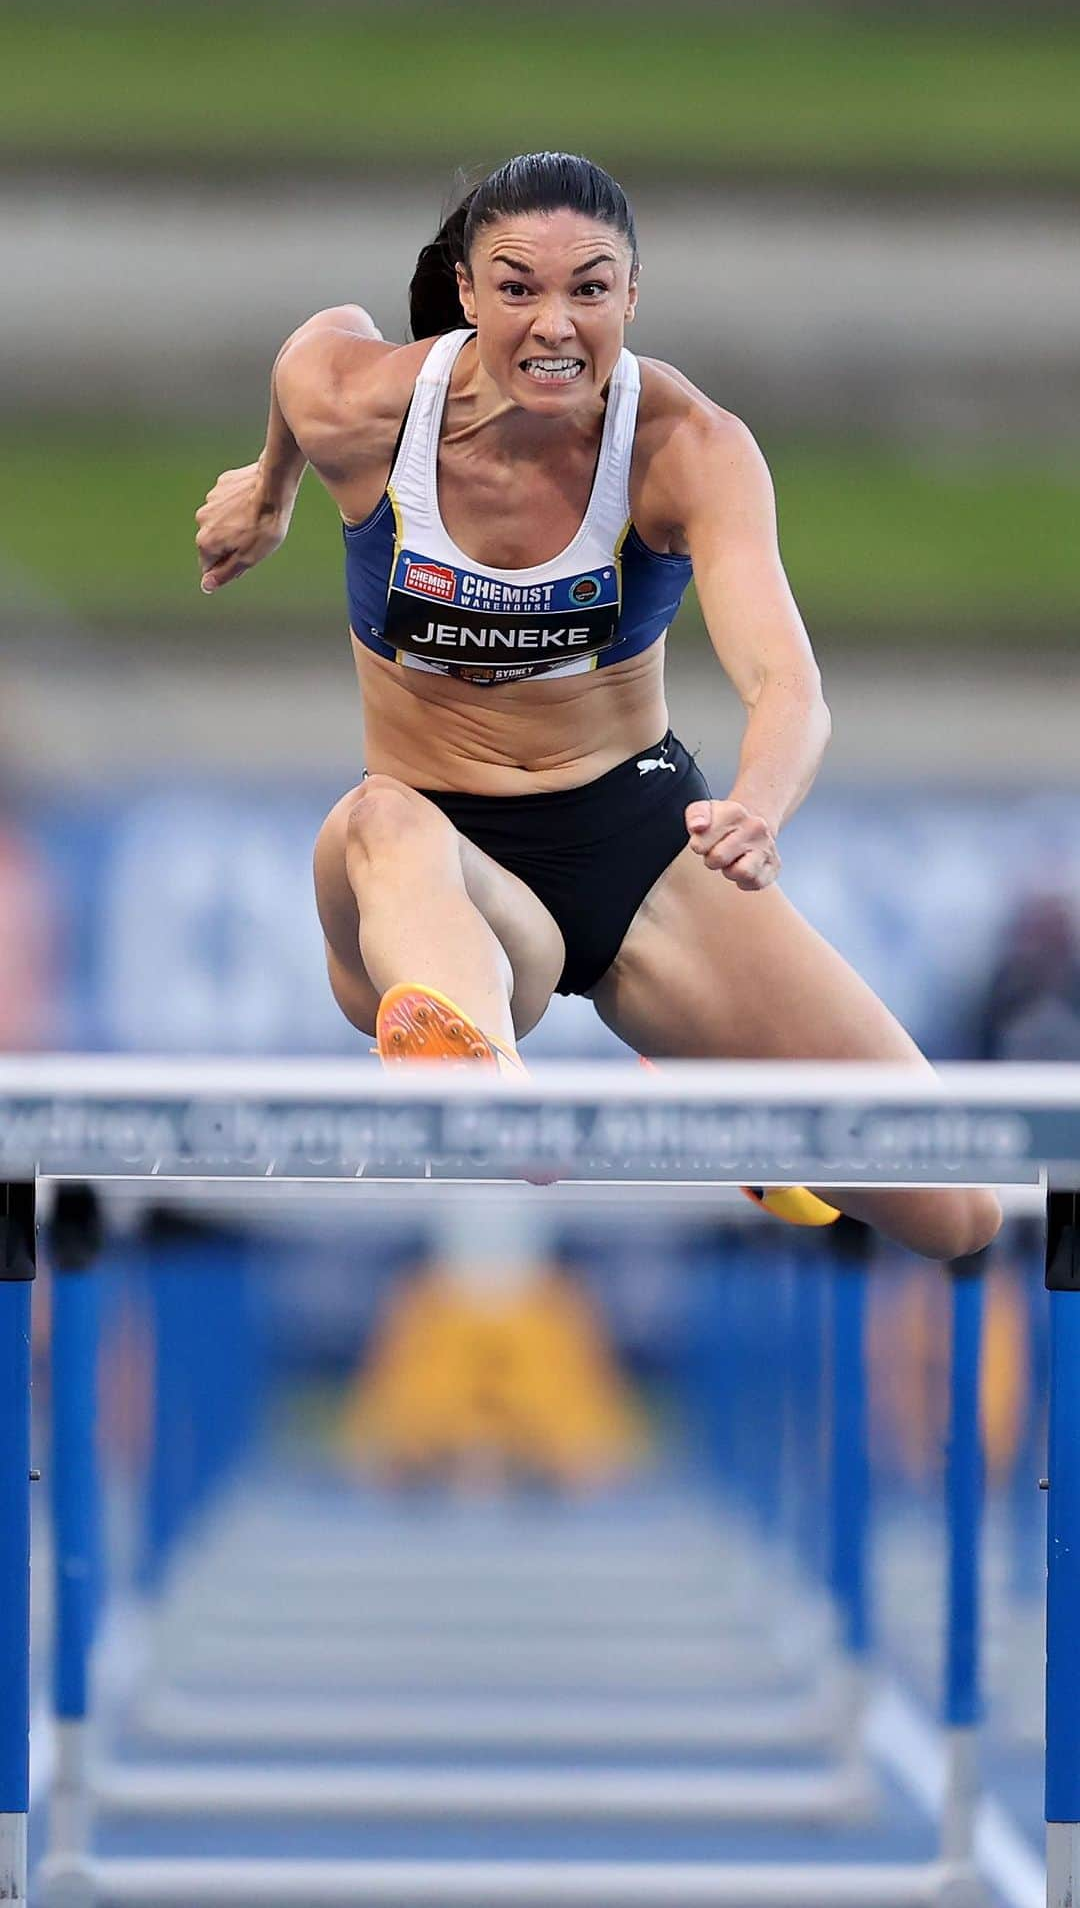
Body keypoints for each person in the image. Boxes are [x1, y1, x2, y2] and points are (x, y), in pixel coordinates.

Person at [195, 152, 1000, 1262]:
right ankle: (495, 1090)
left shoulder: (690, 450)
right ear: (467, 296)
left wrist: (758, 808)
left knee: (958, 1210)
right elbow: (308, 353)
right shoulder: (370, 411)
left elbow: (787, 684)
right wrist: (271, 488)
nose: (555, 326)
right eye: (518, 288)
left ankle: (711, 1101)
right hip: (438, 868)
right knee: (377, 821)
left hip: (637, 849)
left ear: (633, 294)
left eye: (591, 289)